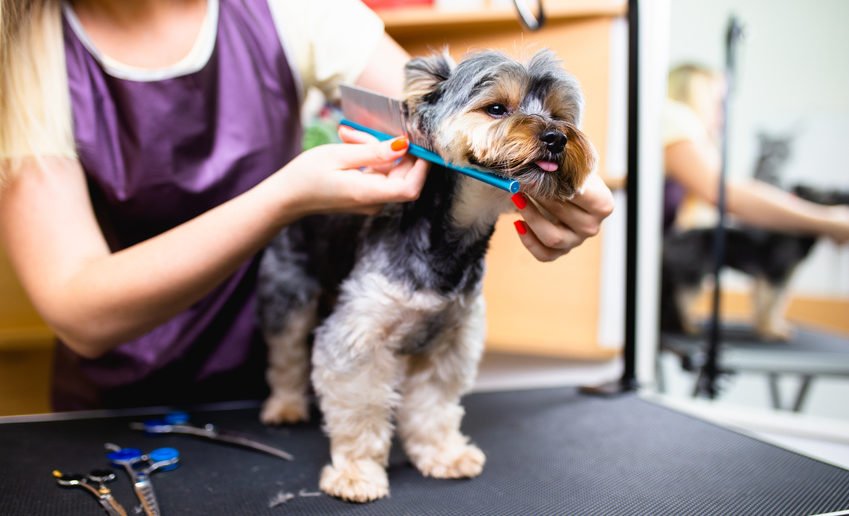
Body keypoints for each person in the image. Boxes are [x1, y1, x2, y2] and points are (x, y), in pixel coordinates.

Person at [0, 0, 614, 410]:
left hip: (276, 377)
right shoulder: (23, 45)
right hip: (117, 400)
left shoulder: (290, 6)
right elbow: (79, 310)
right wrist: (285, 198)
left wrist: (568, 179)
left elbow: (443, 124)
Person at [662, 63, 849, 240]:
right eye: (719, 103)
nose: (723, 117)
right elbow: (724, 193)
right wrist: (827, 221)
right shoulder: (676, 117)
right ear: (696, 95)